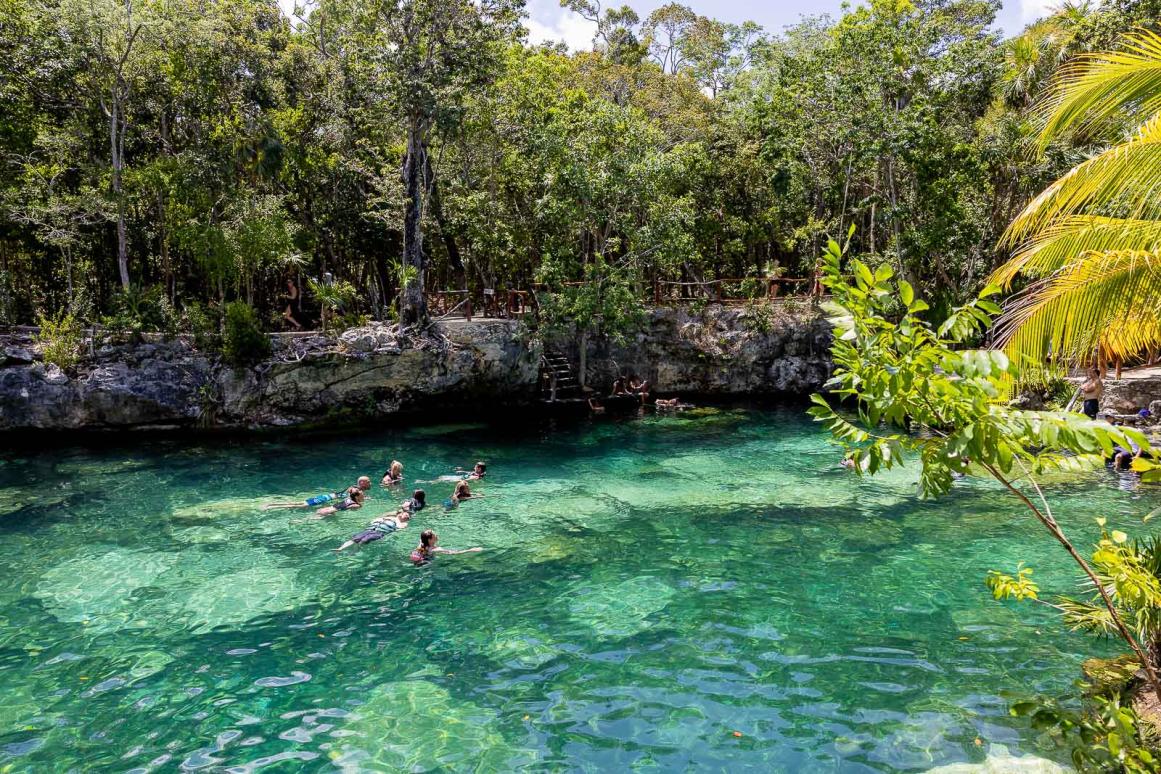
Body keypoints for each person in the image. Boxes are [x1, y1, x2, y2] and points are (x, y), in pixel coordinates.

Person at [264, 477, 371, 510]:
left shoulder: (355, 489)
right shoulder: (354, 489)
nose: (370, 483)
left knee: (299, 504)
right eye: (368, 481)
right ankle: (271, 505)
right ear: (362, 483)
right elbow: (349, 498)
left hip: (327, 498)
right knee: (300, 505)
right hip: (325, 498)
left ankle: (272, 505)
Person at [334, 508, 415, 552]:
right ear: (401, 514)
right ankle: (340, 548)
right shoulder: (388, 517)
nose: (408, 517)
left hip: (379, 533)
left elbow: (399, 529)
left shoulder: (402, 523)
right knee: (355, 538)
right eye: (407, 515)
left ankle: (354, 551)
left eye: (408, 517)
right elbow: (375, 519)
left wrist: (404, 523)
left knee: (365, 540)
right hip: (370, 529)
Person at [410, 529, 482, 564]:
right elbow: (454, 553)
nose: (437, 535)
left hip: (421, 559)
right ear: (429, 540)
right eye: (435, 535)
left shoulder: (422, 545)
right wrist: (471, 550)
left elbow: (421, 539)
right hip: (427, 563)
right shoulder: (436, 549)